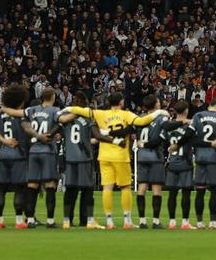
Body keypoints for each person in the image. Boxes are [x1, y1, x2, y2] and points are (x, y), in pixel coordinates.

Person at [64, 92, 165, 229]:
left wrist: (67, 109)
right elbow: (142, 121)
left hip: (104, 156)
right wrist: (158, 113)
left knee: (107, 188)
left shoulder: (101, 114)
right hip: (120, 156)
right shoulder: (126, 114)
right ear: (122, 102)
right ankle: (127, 221)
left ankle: (109, 222)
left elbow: (80, 110)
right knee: (125, 188)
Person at [57, 92, 112, 229]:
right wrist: (114, 139)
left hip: (70, 158)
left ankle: (66, 221)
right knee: (87, 190)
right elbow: (97, 135)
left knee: (70, 189)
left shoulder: (66, 118)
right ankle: (88, 220)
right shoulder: (88, 118)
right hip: (84, 158)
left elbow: (57, 125)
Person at [0, 85, 34, 229]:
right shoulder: (23, 115)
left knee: (1, 189)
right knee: (19, 189)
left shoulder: (1, 114)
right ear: (20, 100)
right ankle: (18, 221)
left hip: (3, 154)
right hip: (18, 155)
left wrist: (3, 141)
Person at [189, 96, 216, 230]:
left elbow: (191, 138)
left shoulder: (197, 115)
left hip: (200, 158)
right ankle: (213, 222)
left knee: (200, 190)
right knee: (214, 191)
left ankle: (199, 222)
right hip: (214, 158)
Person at [23, 89, 63, 228]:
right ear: (52, 97)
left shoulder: (31, 110)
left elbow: (24, 123)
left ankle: (29, 220)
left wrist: (36, 136)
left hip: (33, 151)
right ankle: (50, 221)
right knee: (50, 185)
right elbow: (61, 122)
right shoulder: (55, 110)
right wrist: (51, 133)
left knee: (32, 185)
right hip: (48, 151)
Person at [132, 95, 169, 229]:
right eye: (159, 102)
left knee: (141, 188)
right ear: (155, 105)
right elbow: (159, 140)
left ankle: (142, 221)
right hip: (155, 157)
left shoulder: (140, 118)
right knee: (156, 189)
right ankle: (155, 221)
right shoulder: (161, 118)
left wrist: (142, 145)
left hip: (142, 157)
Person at [160, 100, 197, 229]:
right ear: (186, 110)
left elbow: (163, 138)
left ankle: (172, 222)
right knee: (186, 193)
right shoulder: (190, 125)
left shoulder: (169, 125)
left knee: (172, 193)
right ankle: (185, 223)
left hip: (172, 163)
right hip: (185, 162)